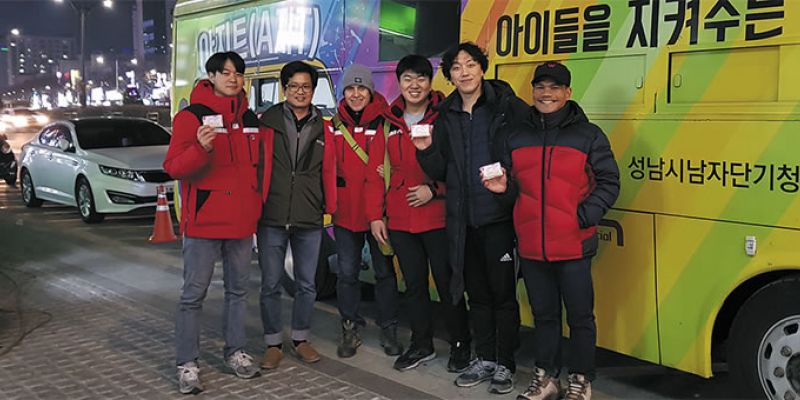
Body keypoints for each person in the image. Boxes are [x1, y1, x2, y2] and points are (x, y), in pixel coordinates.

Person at [484, 62, 620, 400]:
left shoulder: (588, 135)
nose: (546, 94)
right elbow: (513, 187)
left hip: (574, 245)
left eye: (554, 87)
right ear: (533, 92)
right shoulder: (516, 135)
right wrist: (503, 190)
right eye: (540, 87)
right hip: (531, 246)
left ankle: (580, 381)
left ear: (568, 93)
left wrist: (584, 216)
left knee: (580, 318)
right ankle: (545, 379)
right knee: (543, 316)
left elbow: (609, 181)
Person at [412, 42, 529, 394]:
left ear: (482, 68)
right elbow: (440, 170)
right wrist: (426, 151)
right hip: (463, 222)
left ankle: (506, 363)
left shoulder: (507, 107)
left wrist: (509, 185)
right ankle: (486, 358)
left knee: (503, 295)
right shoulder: (446, 114)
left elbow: (529, 151)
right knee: (476, 294)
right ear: (449, 76)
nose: (464, 72)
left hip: (498, 218)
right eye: (456, 68)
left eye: (470, 65)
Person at [164, 51, 267, 395]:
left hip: (240, 224)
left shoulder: (250, 118)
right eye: (226, 73)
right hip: (204, 225)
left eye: (238, 73)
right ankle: (187, 363)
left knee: (238, 292)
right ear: (211, 76)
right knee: (193, 295)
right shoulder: (191, 117)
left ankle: (235, 352)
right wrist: (200, 148)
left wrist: (256, 206)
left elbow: (258, 168)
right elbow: (174, 167)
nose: (233, 79)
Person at [366, 55, 472, 372]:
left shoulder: (445, 117)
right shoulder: (388, 122)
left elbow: (459, 166)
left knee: (447, 282)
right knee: (412, 286)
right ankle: (421, 343)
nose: (415, 85)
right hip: (400, 220)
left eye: (422, 78)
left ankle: (461, 344)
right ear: (399, 83)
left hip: (438, 217)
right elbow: (376, 174)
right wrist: (375, 215)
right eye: (408, 79)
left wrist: (434, 190)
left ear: (431, 83)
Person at [257, 61, 336, 370]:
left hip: (309, 215)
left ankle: (301, 339)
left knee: (307, 284)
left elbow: (328, 169)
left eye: (306, 87)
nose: (300, 92)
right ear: (284, 88)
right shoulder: (268, 122)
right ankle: (273, 343)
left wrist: (329, 205)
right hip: (271, 215)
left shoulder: (324, 126)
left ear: (313, 90)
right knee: (270, 283)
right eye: (294, 86)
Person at [330, 64, 403, 358]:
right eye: (350, 88)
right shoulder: (334, 126)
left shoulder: (386, 124)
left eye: (362, 88)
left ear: (371, 91)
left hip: (380, 216)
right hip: (346, 216)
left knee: (384, 273)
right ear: (344, 93)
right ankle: (350, 327)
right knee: (347, 274)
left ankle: (389, 328)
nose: (356, 94)